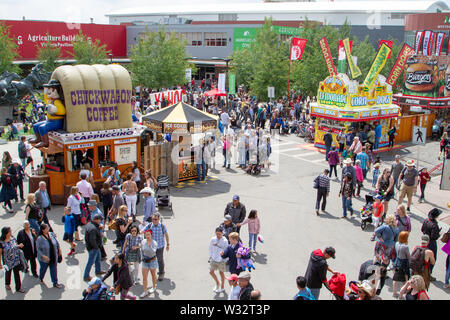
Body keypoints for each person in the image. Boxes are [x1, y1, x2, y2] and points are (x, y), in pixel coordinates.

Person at [142, 212, 170, 281]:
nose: (154, 221)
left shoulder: (162, 226)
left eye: (156, 219)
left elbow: (166, 235)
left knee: (160, 259)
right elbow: (142, 231)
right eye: (153, 219)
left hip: (160, 246)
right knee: (152, 259)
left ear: (159, 219)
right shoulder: (149, 226)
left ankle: (161, 273)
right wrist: (136, 232)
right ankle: (153, 272)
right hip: (151, 247)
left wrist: (168, 244)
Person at [36, 223, 62, 288]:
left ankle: (55, 283)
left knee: (54, 270)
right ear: (43, 230)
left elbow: (56, 242)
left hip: (53, 256)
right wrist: (43, 256)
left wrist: (59, 249)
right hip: (45, 259)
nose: (48, 229)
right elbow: (38, 249)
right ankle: (41, 278)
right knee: (43, 270)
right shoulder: (40, 239)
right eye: (47, 228)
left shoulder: (51, 234)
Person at [0, 226, 25, 293]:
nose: (11, 232)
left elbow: (15, 245)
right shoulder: (1, 242)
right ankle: (7, 284)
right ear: (6, 233)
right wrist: (0, 264)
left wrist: (19, 246)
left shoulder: (13, 238)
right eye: (10, 231)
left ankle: (18, 288)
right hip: (7, 261)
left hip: (16, 259)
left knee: (17, 274)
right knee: (8, 273)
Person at [83, 214, 106, 282]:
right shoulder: (93, 229)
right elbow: (92, 240)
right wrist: (96, 247)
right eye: (100, 220)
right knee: (90, 262)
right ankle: (86, 276)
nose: (100, 221)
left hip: (96, 247)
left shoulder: (90, 224)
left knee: (98, 259)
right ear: (96, 220)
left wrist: (99, 228)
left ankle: (98, 271)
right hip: (94, 248)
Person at [421, 208, 442, 278]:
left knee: (424, 257)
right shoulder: (434, 225)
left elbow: (422, 229)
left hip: (424, 240)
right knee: (432, 258)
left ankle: (423, 271)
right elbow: (434, 236)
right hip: (431, 243)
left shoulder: (426, 220)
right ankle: (428, 273)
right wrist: (439, 233)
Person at [209, 227, 229, 294]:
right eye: (217, 234)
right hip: (214, 258)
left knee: (221, 273)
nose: (218, 235)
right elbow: (210, 248)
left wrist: (225, 259)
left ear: (222, 233)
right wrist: (211, 256)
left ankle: (222, 287)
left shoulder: (225, 241)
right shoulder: (213, 239)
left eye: (219, 234)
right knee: (211, 272)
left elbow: (226, 251)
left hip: (221, 260)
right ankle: (217, 283)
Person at [139, 229, 158, 298]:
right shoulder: (143, 242)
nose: (147, 236)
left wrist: (149, 245)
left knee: (153, 275)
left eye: (148, 235)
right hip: (145, 262)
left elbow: (153, 252)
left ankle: (154, 286)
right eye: (146, 235)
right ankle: (145, 291)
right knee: (144, 277)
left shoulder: (154, 243)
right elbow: (141, 250)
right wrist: (141, 258)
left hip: (152, 261)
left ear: (151, 235)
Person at [392, 231, 410, 298]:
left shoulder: (396, 243)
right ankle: (401, 295)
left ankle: (394, 293)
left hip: (397, 262)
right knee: (404, 280)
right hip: (404, 263)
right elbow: (408, 256)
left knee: (395, 279)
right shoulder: (406, 247)